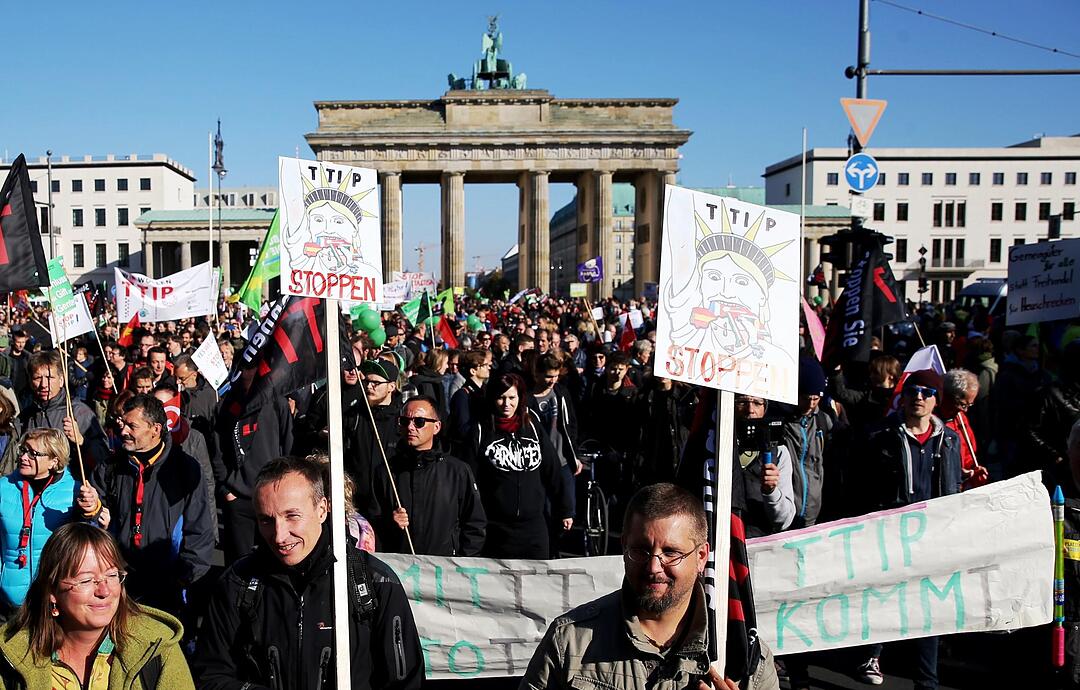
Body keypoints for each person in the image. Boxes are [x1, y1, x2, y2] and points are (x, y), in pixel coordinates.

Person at [193, 456, 424, 689]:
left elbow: (406, 682)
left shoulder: (375, 583)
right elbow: (211, 676)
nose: (279, 536)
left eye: (292, 516)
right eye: (266, 520)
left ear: (322, 510)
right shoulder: (238, 583)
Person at [520, 482, 778, 690]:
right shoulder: (571, 641)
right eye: (641, 550)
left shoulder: (744, 657)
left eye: (671, 553)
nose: (654, 567)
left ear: (701, 557)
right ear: (624, 548)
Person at [859, 369, 962, 688]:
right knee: (884, 596)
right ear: (902, 397)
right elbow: (863, 485)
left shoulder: (950, 439)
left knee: (929, 607)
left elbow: (953, 485)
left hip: (932, 535)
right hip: (890, 531)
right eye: (912, 391)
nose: (919, 397)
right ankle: (872, 655)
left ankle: (926, 681)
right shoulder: (880, 435)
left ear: (936, 400)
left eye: (926, 392)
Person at [0, 522, 195, 688]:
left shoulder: (156, 648)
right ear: (52, 592)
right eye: (86, 580)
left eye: (112, 575)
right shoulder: (12, 658)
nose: (104, 591)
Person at [81, 394, 215, 614]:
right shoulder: (110, 467)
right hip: (119, 579)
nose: (123, 431)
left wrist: (183, 579)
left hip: (168, 585)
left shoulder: (185, 469)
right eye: (123, 423)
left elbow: (199, 531)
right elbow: (94, 521)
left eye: (132, 426)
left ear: (155, 429)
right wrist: (90, 509)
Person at [463, 373, 572, 559]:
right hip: (496, 529)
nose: (507, 404)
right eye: (501, 398)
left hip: (534, 528)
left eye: (512, 398)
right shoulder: (480, 430)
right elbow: (468, 479)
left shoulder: (532, 425)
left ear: (520, 398)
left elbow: (552, 469)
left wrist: (565, 509)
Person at [370, 396, 486, 555]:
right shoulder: (386, 471)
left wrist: (461, 563)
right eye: (404, 421)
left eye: (419, 422)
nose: (410, 427)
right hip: (399, 565)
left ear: (436, 427)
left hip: (445, 566)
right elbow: (371, 523)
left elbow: (474, 524)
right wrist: (390, 522)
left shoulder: (457, 471)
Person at [0, 429, 79, 616]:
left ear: (54, 461)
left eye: (33, 453)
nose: (23, 457)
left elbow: (88, 537)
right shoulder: (3, 487)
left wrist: (93, 512)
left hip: (53, 599)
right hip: (6, 600)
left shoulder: (76, 492)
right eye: (23, 450)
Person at [19, 350, 110, 478]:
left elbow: (103, 456)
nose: (44, 385)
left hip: (68, 484)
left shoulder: (79, 412)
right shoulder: (27, 414)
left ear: (61, 380)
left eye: (50, 378)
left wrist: (81, 441)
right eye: (37, 378)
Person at [939, 368, 989, 490]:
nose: (965, 410)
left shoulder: (960, 418)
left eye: (969, 405)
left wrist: (973, 469)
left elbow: (968, 451)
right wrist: (958, 472)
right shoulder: (932, 422)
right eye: (963, 404)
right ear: (949, 397)